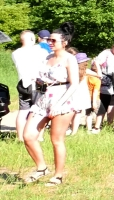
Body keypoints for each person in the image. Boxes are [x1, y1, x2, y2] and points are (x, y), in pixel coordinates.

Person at [22, 28, 79, 186]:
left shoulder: (69, 59)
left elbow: (74, 83)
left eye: (53, 40)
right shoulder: (47, 57)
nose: (50, 43)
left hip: (62, 100)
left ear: (64, 42)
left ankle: (58, 176)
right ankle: (42, 168)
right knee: (28, 135)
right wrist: (37, 80)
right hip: (43, 99)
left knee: (56, 140)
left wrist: (59, 104)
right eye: (49, 40)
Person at [12, 31, 49, 143]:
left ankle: (20, 137)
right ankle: (39, 136)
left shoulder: (15, 53)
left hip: (23, 84)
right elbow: (46, 66)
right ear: (32, 39)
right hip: (38, 83)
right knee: (40, 110)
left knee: (23, 111)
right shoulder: (40, 51)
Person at [92, 41, 114, 131]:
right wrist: (99, 72)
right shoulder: (105, 53)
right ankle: (98, 125)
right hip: (106, 78)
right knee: (104, 101)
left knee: (113, 102)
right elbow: (96, 62)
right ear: (113, 47)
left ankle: (109, 124)